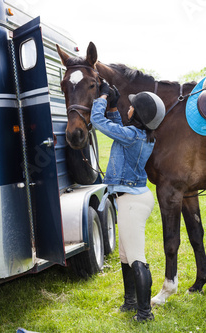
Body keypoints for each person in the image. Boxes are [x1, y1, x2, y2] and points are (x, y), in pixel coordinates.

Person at [90, 81, 165, 322]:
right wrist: (113, 105)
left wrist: (102, 98)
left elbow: (99, 123)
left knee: (135, 257)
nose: (128, 107)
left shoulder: (132, 136)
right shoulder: (140, 136)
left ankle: (145, 313)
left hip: (131, 201)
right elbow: (118, 127)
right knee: (124, 255)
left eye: (131, 106)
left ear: (139, 115)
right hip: (132, 198)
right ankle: (131, 301)